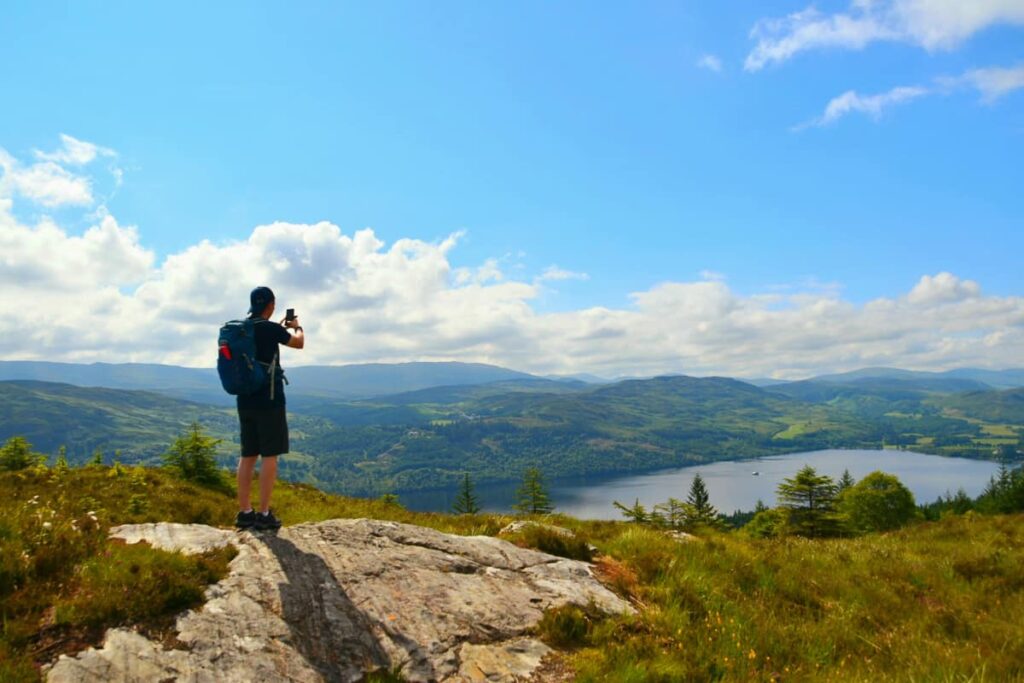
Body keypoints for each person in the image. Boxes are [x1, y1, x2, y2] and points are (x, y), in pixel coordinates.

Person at [235, 285, 304, 530]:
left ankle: (245, 512)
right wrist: (296, 325)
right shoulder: (271, 329)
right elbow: (298, 343)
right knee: (269, 456)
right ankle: (264, 514)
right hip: (269, 400)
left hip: (244, 399)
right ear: (271, 305)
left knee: (247, 456)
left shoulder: (241, 329)